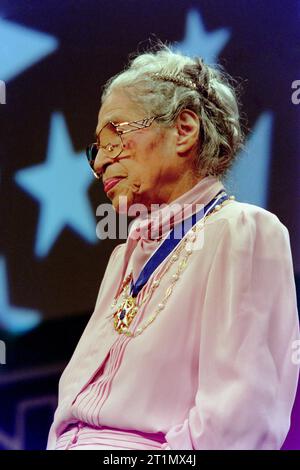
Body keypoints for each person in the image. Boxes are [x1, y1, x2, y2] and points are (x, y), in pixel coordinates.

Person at [46, 44, 299, 450]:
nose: (99, 163)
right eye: (96, 149)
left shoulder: (242, 231)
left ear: (184, 129)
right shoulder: (124, 256)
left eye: (115, 136)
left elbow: (241, 422)